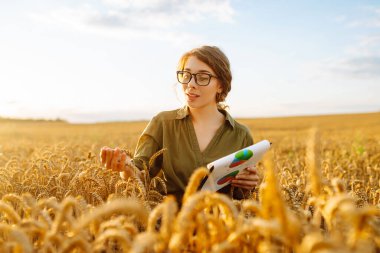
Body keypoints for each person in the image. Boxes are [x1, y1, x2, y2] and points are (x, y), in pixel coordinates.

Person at [100, 45, 259, 204]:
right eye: (186, 75)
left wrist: (248, 185)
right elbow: (140, 175)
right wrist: (125, 166)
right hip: (168, 223)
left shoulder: (241, 135)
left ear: (221, 85)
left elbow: (241, 197)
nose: (191, 83)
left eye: (202, 77)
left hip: (218, 225)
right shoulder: (162, 123)